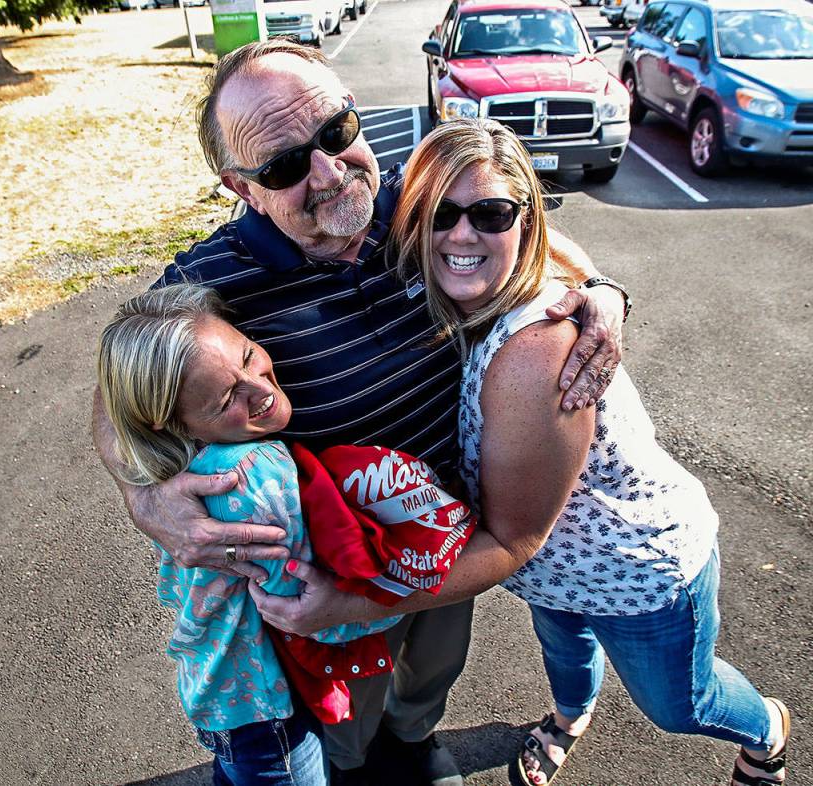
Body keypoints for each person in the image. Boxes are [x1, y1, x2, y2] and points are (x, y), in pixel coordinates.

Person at [91, 39, 631, 786]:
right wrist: (144, 496)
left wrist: (602, 285)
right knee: (346, 711)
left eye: (337, 132)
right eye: (283, 167)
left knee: (432, 669)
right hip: (336, 557)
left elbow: (518, 224)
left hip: (443, 528)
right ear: (242, 189)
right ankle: (356, 763)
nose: (328, 171)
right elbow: (116, 386)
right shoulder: (210, 277)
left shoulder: (408, 202)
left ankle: (415, 741)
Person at [253, 118, 791, 786]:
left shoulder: (535, 356)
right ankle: (569, 718)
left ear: (525, 222)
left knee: (681, 704)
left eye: (491, 214)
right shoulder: (464, 286)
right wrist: (601, 283)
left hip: (634, 573)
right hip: (555, 574)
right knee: (567, 657)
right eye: (440, 214)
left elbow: (514, 541)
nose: (462, 233)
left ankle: (766, 731)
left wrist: (346, 605)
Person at [96, 283, 478, 784]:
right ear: (172, 421)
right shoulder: (253, 477)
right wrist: (377, 605)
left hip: (220, 685)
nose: (261, 389)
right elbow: (302, 608)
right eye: (227, 397)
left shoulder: (188, 467)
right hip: (264, 696)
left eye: (250, 355)